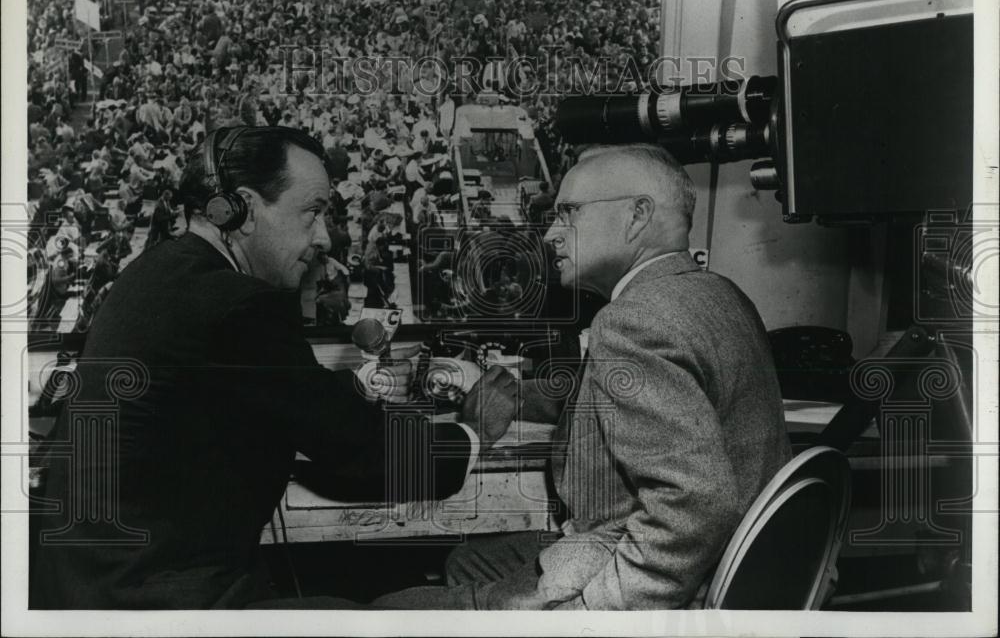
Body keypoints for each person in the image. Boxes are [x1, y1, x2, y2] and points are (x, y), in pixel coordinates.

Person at [31, 125, 519, 609]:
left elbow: (266, 393)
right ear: (242, 210)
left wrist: (355, 389)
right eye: (311, 213)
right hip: (166, 599)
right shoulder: (239, 304)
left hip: (97, 587)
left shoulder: (160, 271)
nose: (324, 238)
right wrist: (472, 433)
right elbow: (363, 454)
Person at [376, 143, 790, 610]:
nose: (552, 233)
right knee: (470, 562)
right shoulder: (721, 294)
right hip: (739, 568)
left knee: (391, 611)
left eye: (569, 212)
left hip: (666, 579)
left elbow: (695, 505)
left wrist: (590, 612)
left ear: (637, 216)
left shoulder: (634, 318)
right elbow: (621, 401)